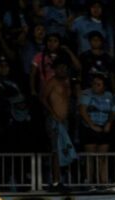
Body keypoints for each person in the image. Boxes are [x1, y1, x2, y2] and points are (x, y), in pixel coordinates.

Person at [41, 59, 76, 191]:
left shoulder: (67, 82)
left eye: (64, 68)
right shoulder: (52, 82)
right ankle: (55, 181)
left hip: (65, 121)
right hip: (54, 120)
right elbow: (43, 98)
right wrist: (53, 114)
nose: (63, 70)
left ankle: (62, 179)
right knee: (55, 150)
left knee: (64, 149)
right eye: (60, 68)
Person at [79, 74, 114, 187]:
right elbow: (82, 111)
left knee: (102, 157)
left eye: (98, 84)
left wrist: (109, 123)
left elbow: (113, 111)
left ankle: (103, 183)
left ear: (104, 86)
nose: (95, 86)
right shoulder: (86, 93)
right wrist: (92, 125)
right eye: (94, 83)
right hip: (90, 129)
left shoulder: (109, 95)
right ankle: (90, 183)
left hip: (104, 128)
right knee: (91, 157)